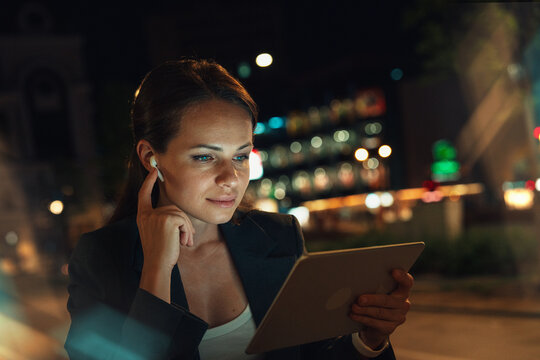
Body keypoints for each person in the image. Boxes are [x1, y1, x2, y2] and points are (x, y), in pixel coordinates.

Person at [64, 58, 414, 360]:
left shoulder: (278, 237)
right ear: (150, 158)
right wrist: (156, 269)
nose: (230, 177)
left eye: (241, 156)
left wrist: (369, 340)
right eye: (204, 156)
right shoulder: (101, 257)